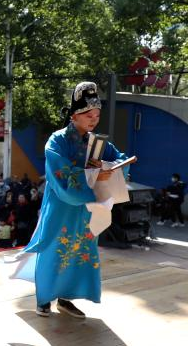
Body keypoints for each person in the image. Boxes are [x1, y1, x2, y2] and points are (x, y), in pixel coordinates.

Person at [16, 82, 129, 318]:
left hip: (86, 207)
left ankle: (66, 298)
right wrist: (95, 173)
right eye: (89, 115)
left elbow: (116, 158)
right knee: (53, 246)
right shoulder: (57, 141)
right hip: (61, 204)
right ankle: (44, 298)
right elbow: (60, 173)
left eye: (97, 115)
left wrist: (117, 165)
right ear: (75, 115)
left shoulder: (97, 142)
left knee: (81, 249)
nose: (94, 119)